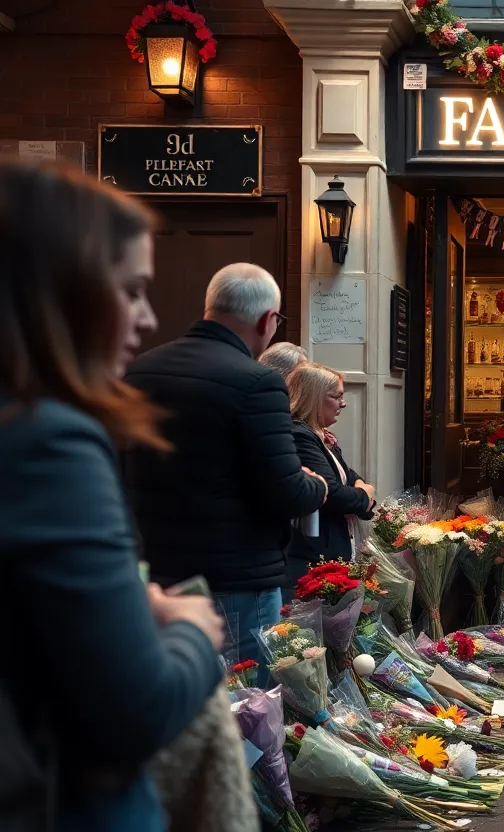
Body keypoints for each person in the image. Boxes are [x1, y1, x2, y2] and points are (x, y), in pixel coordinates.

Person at [0, 161, 225, 829]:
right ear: (62, 296)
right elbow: (136, 713)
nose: (149, 318)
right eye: (130, 291)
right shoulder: (48, 443)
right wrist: (191, 630)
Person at [124, 263, 328, 687]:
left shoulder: (141, 369)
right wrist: (318, 484)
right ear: (266, 320)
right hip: (236, 578)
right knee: (248, 710)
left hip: (155, 575)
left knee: (177, 702)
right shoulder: (257, 383)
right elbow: (286, 490)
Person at [285, 363, 376, 591]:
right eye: (336, 397)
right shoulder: (300, 435)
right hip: (313, 556)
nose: (343, 404)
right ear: (314, 398)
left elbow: (349, 475)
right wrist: (365, 496)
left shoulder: (318, 434)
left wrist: (360, 489)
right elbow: (333, 492)